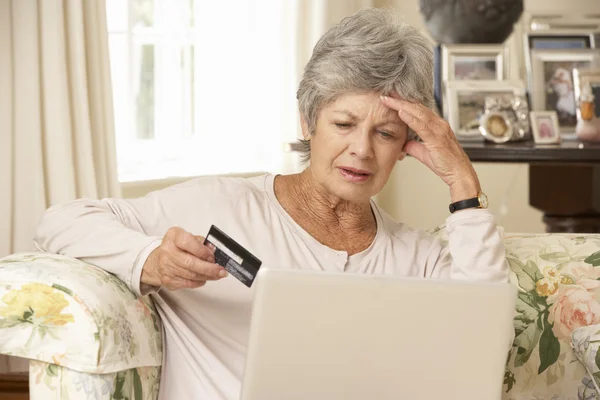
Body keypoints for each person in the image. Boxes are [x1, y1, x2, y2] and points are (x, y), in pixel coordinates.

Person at [34, 8, 509, 400]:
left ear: (407, 144)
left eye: (385, 133)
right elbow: (63, 222)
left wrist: (461, 180)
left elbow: (484, 335)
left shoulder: (416, 258)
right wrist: (149, 261)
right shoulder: (218, 206)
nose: (362, 150)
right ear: (308, 121)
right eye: (343, 124)